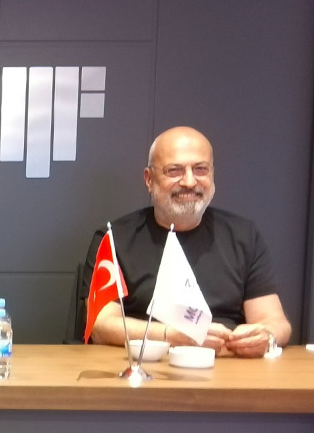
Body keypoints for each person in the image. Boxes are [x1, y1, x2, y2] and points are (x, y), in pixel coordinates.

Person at [82, 126, 291, 357]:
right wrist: (170, 336)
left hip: (228, 364)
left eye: (201, 169)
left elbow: (275, 322)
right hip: (149, 364)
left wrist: (266, 336)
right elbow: (100, 325)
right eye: (175, 171)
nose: (190, 182)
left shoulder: (244, 236)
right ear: (149, 179)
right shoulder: (113, 239)